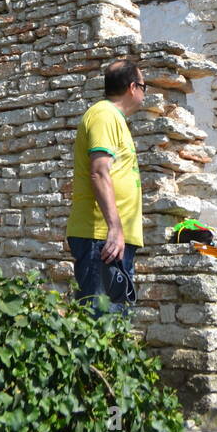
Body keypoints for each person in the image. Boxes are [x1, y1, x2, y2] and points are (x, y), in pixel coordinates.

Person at [66, 58, 145, 316]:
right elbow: (100, 172)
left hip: (110, 239)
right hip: (101, 237)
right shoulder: (104, 115)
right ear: (132, 87)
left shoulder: (114, 118)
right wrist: (115, 227)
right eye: (144, 87)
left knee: (114, 328)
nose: (144, 93)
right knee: (99, 325)